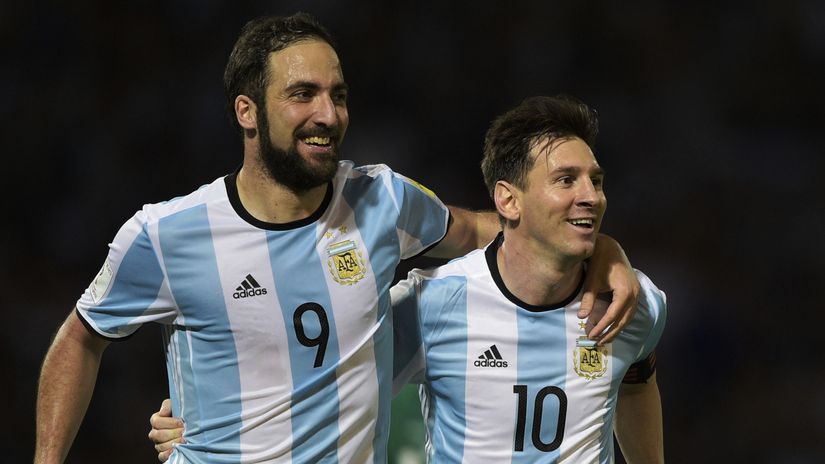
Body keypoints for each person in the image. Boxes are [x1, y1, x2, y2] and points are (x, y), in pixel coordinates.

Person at [35, 12, 640, 464]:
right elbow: (80, 339)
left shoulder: (381, 200)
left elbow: (496, 229)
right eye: (303, 94)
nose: (328, 113)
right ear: (247, 111)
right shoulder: (166, 234)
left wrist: (601, 251)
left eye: (338, 94)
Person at [389, 95, 666, 462]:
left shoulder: (631, 301)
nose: (591, 197)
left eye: (596, 182)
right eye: (566, 180)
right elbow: (343, 398)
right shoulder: (431, 304)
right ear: (508, 201)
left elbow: (636, 382)